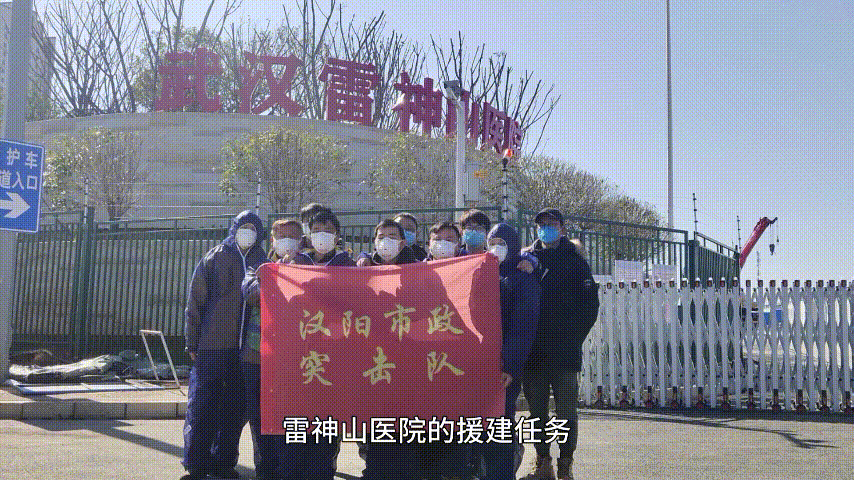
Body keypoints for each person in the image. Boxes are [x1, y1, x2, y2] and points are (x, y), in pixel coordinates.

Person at [182, 210, 267, 480]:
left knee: (234, 410)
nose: (247, 232)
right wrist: (192, 341)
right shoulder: (215, 257)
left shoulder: (263, 261)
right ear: (234, 228)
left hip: (245, 352)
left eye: (253, 228)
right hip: (212, 345)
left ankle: (224, 463)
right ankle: (197, 463)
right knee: (203, 406)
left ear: (260, 233)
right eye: (243, 227)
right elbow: (195, 301)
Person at [523, 208, 599, 480]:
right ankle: (542, 461)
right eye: (541, 224)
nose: (546, 228)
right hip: (533, 352)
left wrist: (573, 338)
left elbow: (590, 306)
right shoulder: (527, 259)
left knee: (566, 411)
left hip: (565, 352)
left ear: (562, 229)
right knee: (537, 412)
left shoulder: (576, 261)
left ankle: (566, 462)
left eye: (552, 224)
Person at [474, 223, 541, 480]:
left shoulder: (522, 277)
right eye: (491, 243)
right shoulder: (481, 272)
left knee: (500, 424)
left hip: (503, 368)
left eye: (501, 243)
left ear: (513, 245)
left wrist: (511, 366)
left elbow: (523, 327)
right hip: (476, 363)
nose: (495, 248)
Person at [359, 219, 422, 480]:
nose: (386, 241)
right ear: (374, 241)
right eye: (381, 236)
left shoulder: (419, 270)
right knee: (376, 427)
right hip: (374, 361)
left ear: (403, 242)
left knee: (405, 428)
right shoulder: (362, 270)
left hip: (408, 362)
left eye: (392, 236)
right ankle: (373, 471)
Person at [241, 218, 303, 479]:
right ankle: (265, 471)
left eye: (292, 236)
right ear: (273, 241)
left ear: (301, 241)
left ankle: (287, 471)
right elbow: (250, 293)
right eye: (280, 236)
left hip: (293, 360)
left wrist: (295, 273)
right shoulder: (259, 266)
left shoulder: (309, 267)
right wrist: (278, 274)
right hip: (256, 357)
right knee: (260, 420)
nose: (286, 240)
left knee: (289, 421)